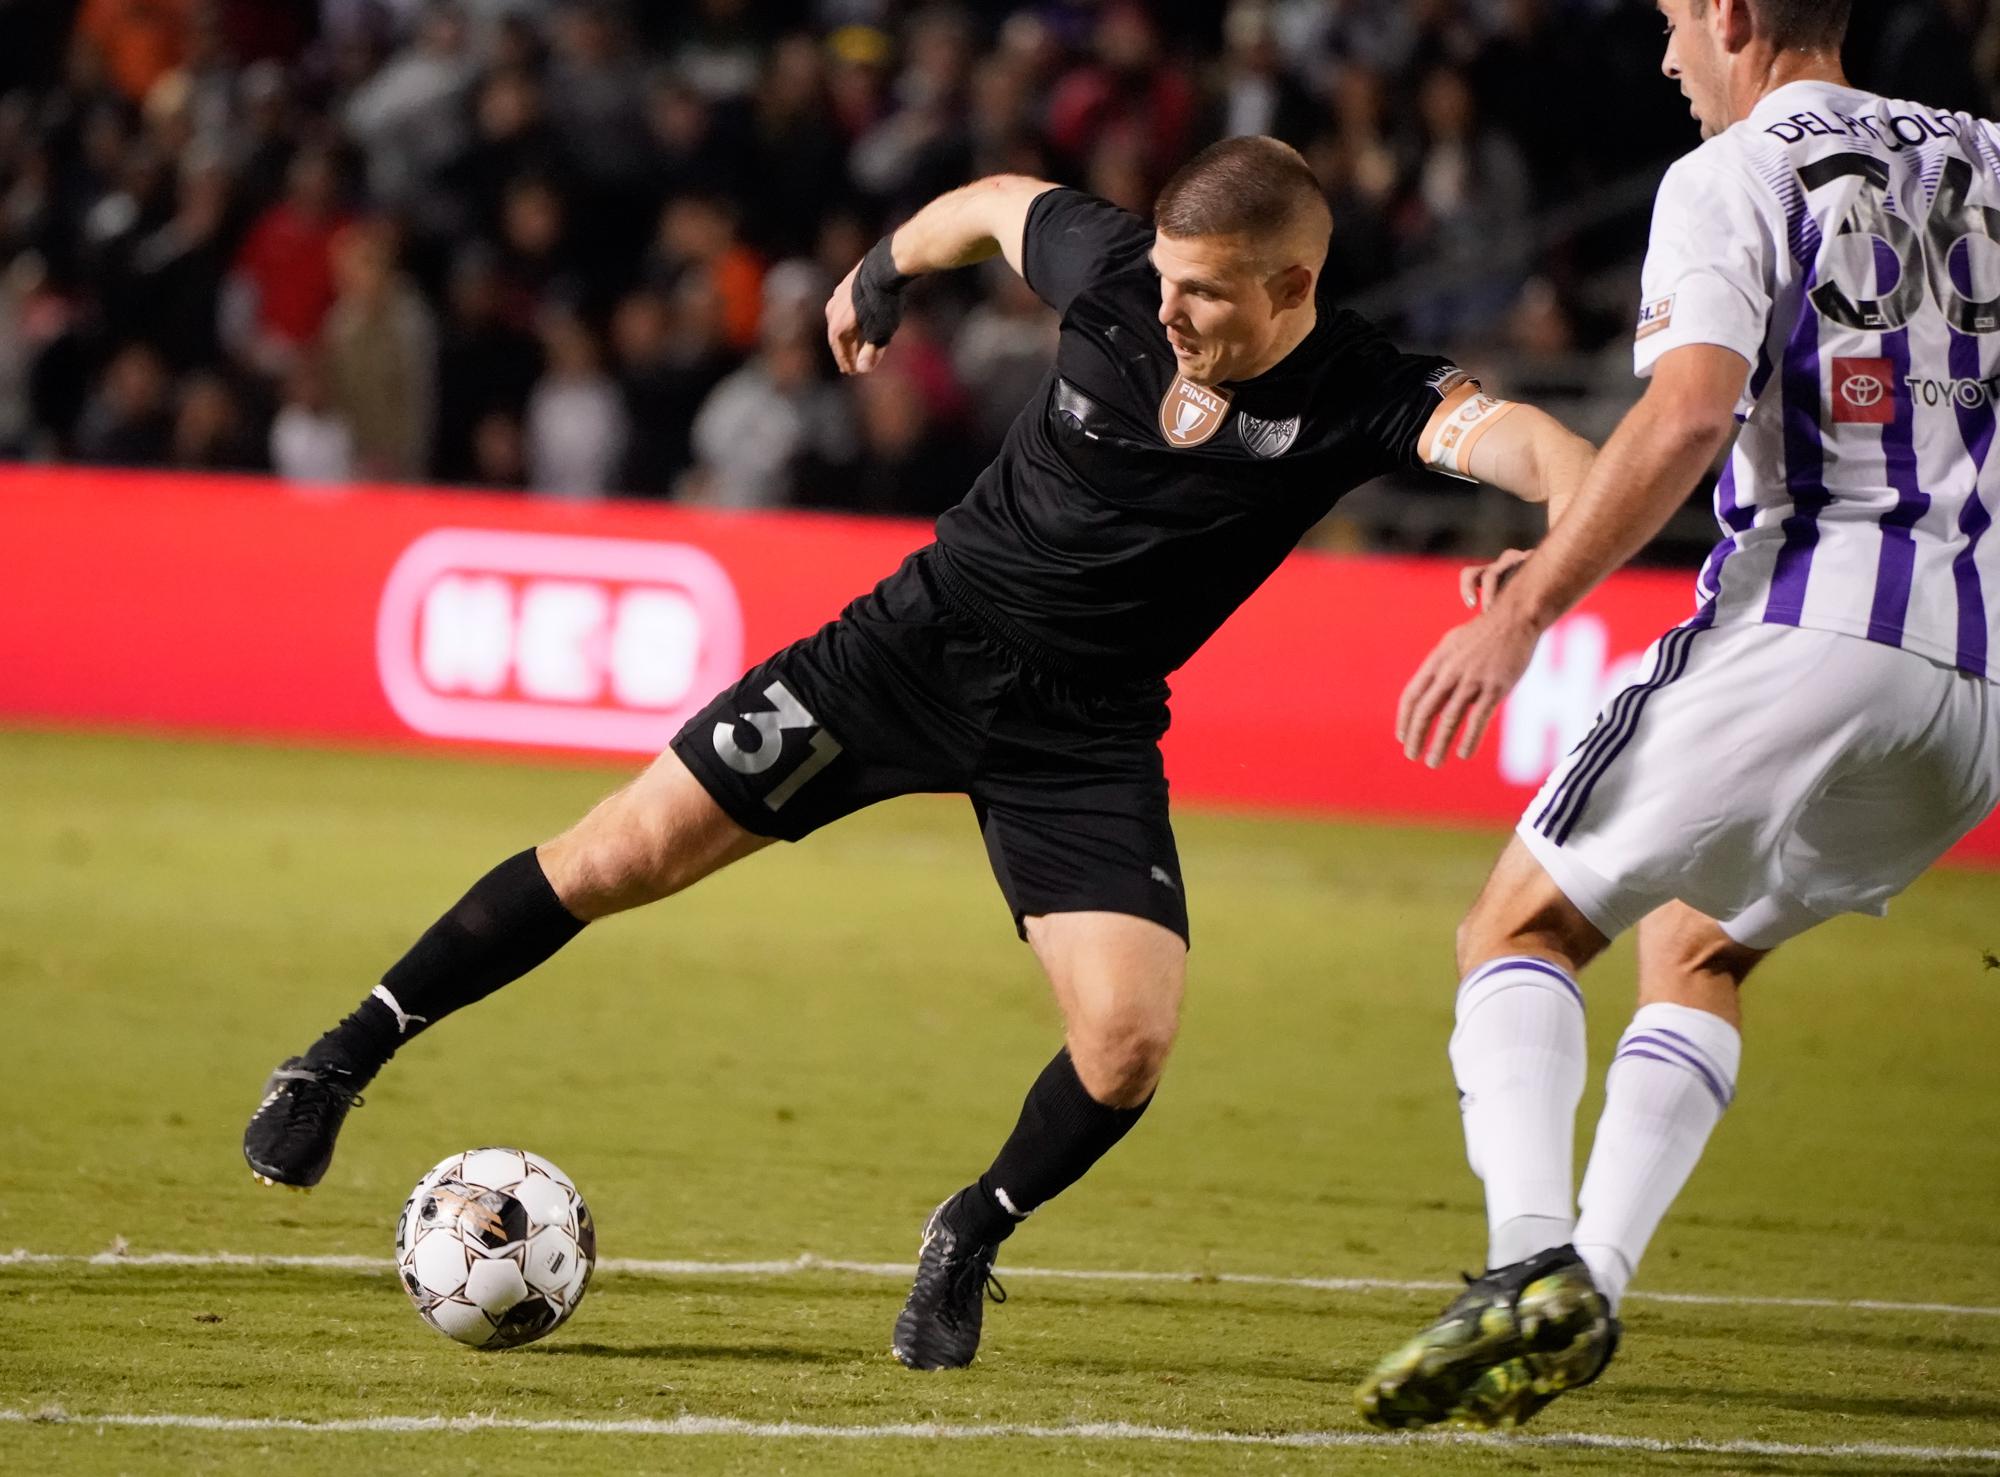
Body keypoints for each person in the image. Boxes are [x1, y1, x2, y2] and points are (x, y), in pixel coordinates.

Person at [242, 136, 1593, 1370]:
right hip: (914, 645)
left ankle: (970, 1228)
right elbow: (998, 205)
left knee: (1128, 1040)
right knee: (620, 850)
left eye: (1207, 298)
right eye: (1166, 285)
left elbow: (1546, 448)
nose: (1165, 314)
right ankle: (337, 1057)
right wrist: (877, 271)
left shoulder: (1364, 388)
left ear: (1293, 281)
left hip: (1086, 728)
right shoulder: (1120, 268)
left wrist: (1546, 572)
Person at [1355, 0, 2000, 1433]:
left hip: (1810, 628)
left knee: (1515, 928)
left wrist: (1524, 612)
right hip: (1977, 691)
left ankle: (1528, 1263)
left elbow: (1689, 412)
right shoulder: (1988, 158)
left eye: (1670, 21)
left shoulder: (1730, 174)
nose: (1663, 58)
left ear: (1733, 14)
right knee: (1697, 937)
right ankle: (1596, 1270)